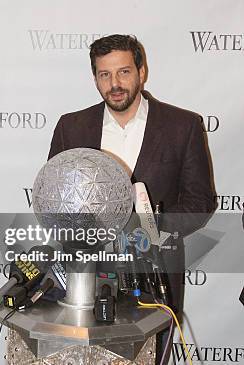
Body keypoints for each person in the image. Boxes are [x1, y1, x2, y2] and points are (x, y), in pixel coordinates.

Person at [48, 34, 215, 364]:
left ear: (142, 71)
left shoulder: (183, 126)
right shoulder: (72, 126)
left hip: (156, 276)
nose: (115, 84)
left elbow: (200, 202)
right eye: (104, 75)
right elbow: (53, 198)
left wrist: (149, 231)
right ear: (95, 77)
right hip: (85, 277)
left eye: (124, 72)